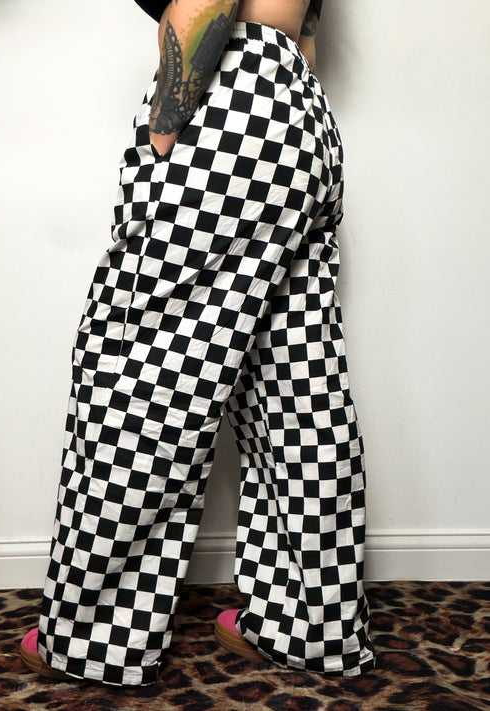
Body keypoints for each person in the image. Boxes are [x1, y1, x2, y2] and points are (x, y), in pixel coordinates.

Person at [19, 0, 376, 686]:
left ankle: (96, 637)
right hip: (299, 112)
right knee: (295, 383)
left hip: (227, 105)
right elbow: (303, 32)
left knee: (141, 376)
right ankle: (311, 627)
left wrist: (166, 136)